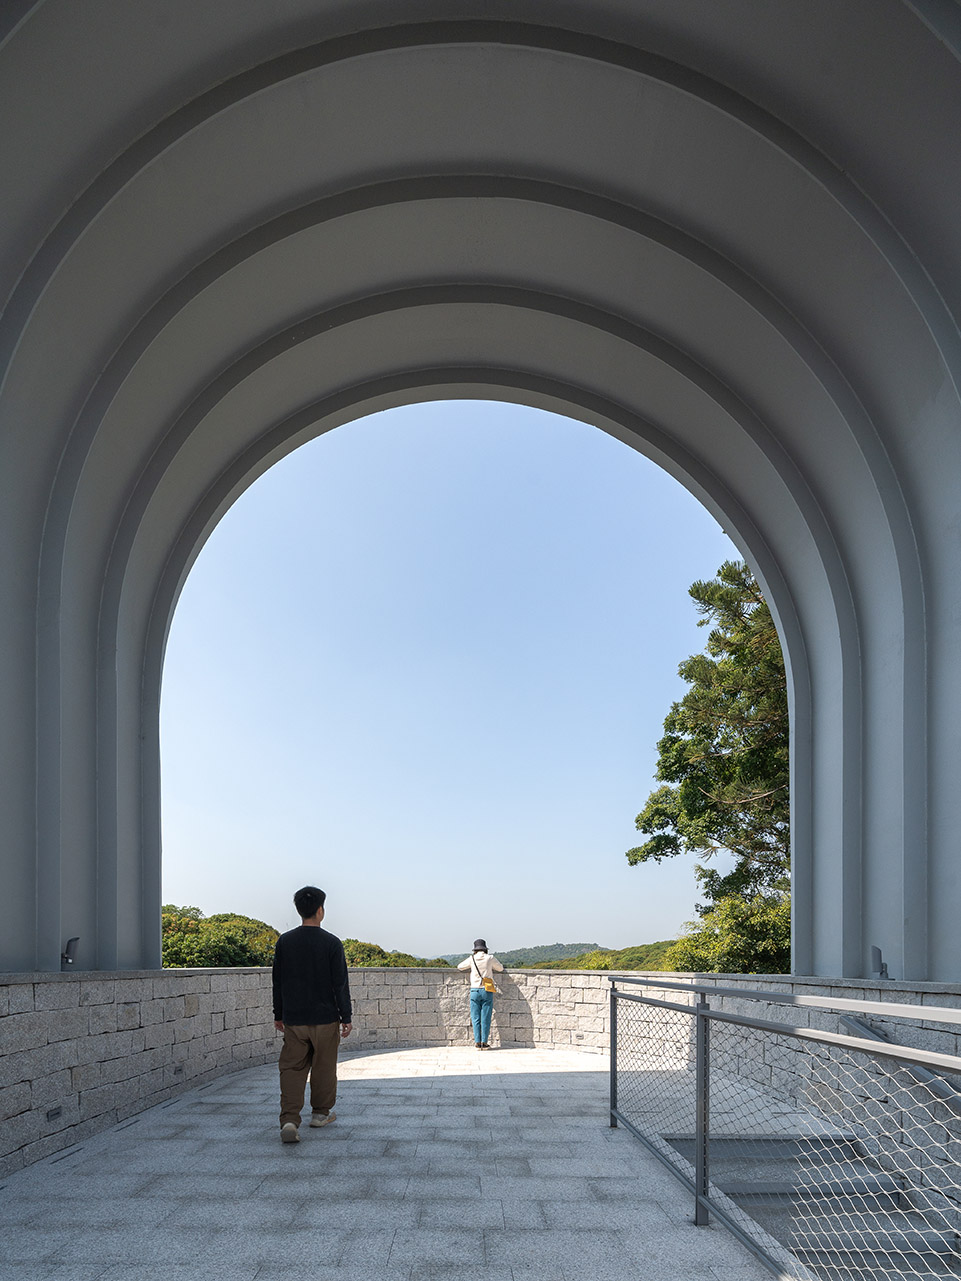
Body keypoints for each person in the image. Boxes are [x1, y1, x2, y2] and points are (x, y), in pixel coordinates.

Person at [272, 885, 353, 1143]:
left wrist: (279, 1013)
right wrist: (346, 1016)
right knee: (324, 1068)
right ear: (320, 911)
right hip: (325, 1018)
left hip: (295, 1019)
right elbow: (340, 983)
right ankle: (320, 1114)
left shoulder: (285, 941)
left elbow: (278, 981)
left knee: (292, 1069)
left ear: (299, 910)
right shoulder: (331, 943)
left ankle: (289, 1120)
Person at [457, 938, 504, 1049]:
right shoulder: (490, 958)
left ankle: (477, 1042)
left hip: (474, 990)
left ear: (475, 949)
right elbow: (500, 968)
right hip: (486, 990)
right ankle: (484, 1042)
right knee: (486, 1017)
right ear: (485, 949)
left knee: (475, 1017)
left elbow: (459, 967)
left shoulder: (472, 959)